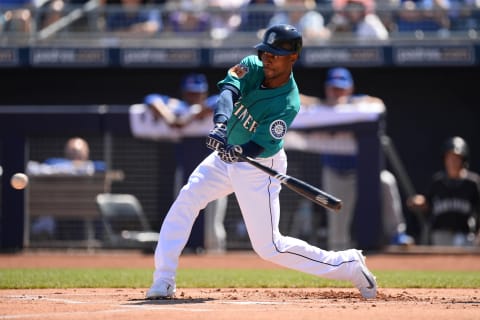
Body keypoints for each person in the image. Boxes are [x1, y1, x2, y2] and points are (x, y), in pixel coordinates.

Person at [146, 24, 377, 300]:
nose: (267, 58)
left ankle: (348, 266)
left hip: (260, 166)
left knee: (269, 247)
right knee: (187, 198)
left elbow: (258, 146)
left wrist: (239, 150)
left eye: (275, 54)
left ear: (292, 58)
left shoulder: (287, 103)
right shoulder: (251, 65)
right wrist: (221, 124)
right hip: (225, 155)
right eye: (266, 52)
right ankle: (163, 280)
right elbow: (228, 92)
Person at [298, 67, 413, 249]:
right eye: (333, 88)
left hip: (362, 172)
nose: (337, 93)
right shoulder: (320, 109)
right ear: (327, 89)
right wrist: (318, 102)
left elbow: (377, 102)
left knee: (386, 181)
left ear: (350, 89)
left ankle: (397, 234)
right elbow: (298, 99)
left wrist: (353, 101)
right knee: (337, 231)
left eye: (341, 88)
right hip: (335, 174)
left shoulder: (358, 106)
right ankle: (339, 260)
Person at [129, 73, 228, 253]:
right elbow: (151, 99)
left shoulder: (213, 104)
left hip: (216, 168)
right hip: (186, 166)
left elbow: (220, 99)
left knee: (213, 214)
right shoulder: (178, 107)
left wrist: (188, 119)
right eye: (190, 93)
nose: (194, 96)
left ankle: (214, 255)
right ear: (184, 93)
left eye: (197, 93)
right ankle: (188, 248)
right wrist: (170, 119)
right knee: (184, 206)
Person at [27, 137, 106, 240]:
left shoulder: (94, 166)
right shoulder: (54, 164)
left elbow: (102, 166)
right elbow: (47, 163)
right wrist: (74, 167)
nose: (75, 155)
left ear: (86, 153)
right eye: (72, 151)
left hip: (84, 212)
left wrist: (77, 167)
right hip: (56, 211)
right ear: (66, 153)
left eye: (78, 152)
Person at [407, 136, 480, 246]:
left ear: (463, 160)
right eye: (449, 158)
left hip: (465, 235)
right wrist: (420, 202)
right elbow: (428, 202)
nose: (452, 162)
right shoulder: (438, 182)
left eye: (456, 159)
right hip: (440, 234)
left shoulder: (472, 183)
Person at [267, 0, 331, 41]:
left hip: (310, 57)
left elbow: (321, 34)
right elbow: (268, 34)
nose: (295, 4)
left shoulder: (313, 17)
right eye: (292, 1)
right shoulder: (280, 18)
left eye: (299, 1)